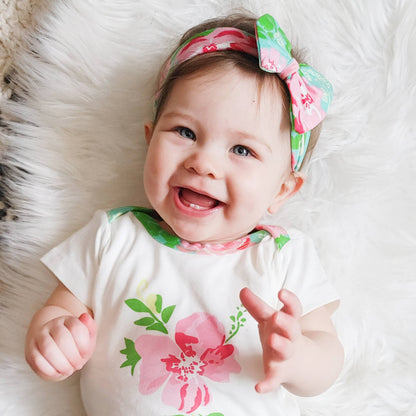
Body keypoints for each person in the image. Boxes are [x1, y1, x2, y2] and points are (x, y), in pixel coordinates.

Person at [25, 13, 344, 416]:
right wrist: (53, 338)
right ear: (149, 139)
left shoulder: (282, 256)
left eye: (242, 150)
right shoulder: (112, 236)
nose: (204, 163)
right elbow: (57, 312)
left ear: (281, 190)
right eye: (185, 133)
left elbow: (328, 354)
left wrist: (298, 356)